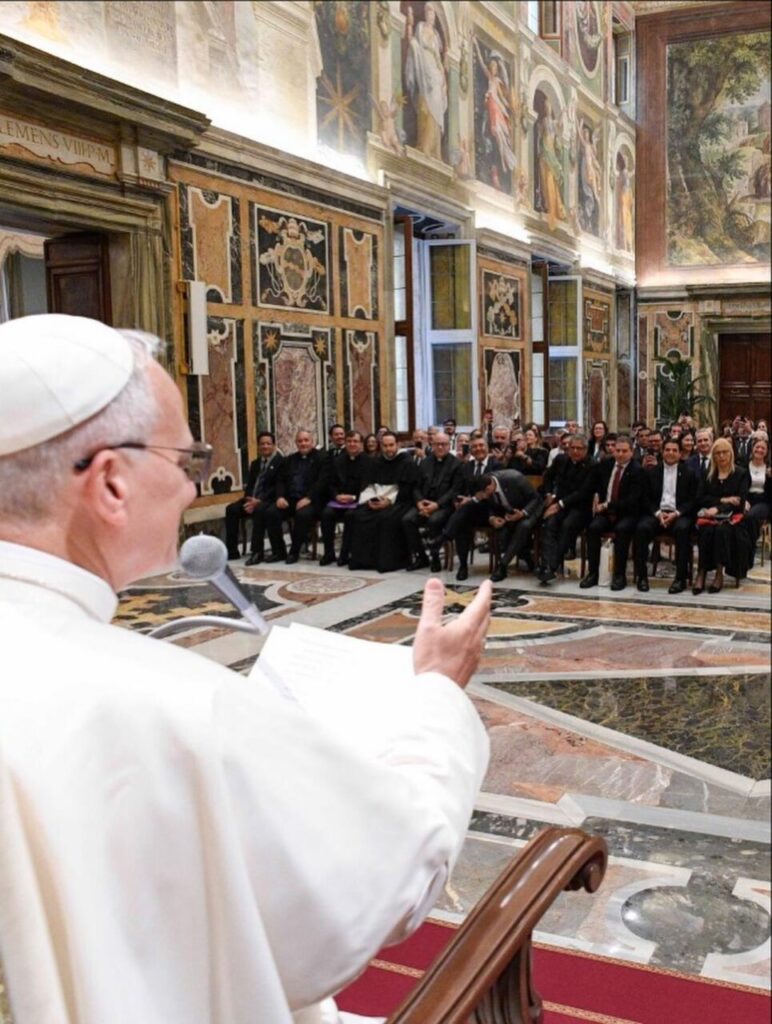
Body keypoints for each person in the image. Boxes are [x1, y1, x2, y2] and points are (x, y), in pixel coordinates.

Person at [0, 314, 493, 1024]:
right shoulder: (173, 704)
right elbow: (383, 878)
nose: (190, 489)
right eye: (187, 464)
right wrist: (438, 695)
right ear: (111, 485)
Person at [430, 437, 503, 581]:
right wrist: (457, 500)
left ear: (487, 448)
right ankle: (463, 565)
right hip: (470, 511)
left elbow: (497, 493)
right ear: (471, 450)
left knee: (464, 511)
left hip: (491, 510)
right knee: (462, 519)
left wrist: (470, 501)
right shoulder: (466, 467)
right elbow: (457, 489)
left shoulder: (497, 465)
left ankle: (443, 538)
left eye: (481, 445)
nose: (478, 449)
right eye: (474, 447)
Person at [632, 437, 698, 594]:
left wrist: (676, 514)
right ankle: (642, 577)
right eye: (667, 450)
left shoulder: (689, 473)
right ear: (662, 452)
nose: (670, 453)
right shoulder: (652, 472)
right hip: (656, 513)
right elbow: (645, 498)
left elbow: (693, 500)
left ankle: (680, 579)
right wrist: (657, 513)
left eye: (674, 450)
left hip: (679, 514)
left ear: (680, 453)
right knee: (641, 528)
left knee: (683, 530)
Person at [580, 435, 645, 591]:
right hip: (605, 512)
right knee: (593, 528)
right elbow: (591, 484)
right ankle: (593, 573)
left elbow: (633, 501)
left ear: (631, 451)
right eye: (617, 450)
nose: (620, 454)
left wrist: (608, 504)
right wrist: (595, 494)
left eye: (624, 451)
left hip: (627, 513)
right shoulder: (605, 465)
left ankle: (619, 575)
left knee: (622, 530)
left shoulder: (637, 470)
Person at [347, 431, 417, 572]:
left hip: (399, 501)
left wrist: (389, 501)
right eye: (385, 446)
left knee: (385, 519)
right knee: (357, 515)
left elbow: (407, 488)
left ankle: (387, 562)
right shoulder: (376, 462)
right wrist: (370, 500)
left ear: (398, 445)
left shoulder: (407, 462)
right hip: (377, 498)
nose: (388, 449)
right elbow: (370, 485)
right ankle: (363, 561)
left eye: (391, 445)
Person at [692, 438, 752, 594]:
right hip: (710, 517)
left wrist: (717, 508)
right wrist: (723, 500)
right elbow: (700, 498)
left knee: (721, 531)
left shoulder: (741, 473)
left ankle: (719, 573)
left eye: (725, 452)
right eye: (718, 453)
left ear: (731, 454)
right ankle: (702, 572)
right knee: (706, 531)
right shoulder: (708, 473)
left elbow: (739, 502)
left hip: (733, 519)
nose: (721, 456)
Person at [537, 435, 593, 584]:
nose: (574, 451)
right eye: (571, 448)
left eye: (578, 448)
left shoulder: (591, 464)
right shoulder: (561, 460)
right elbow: (548, 476)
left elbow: (583, 492)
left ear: (585, 450)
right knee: (550, 523)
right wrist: (549, 494)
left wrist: (559, 504)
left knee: (568, 525)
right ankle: (546, 564)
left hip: (580, 507)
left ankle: (552, 566)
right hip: (560, 503)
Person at [402, 432, 460, 571]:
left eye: (444, 444)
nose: (440, 447)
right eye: (437, 444)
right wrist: (419, 503)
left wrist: (437, 505)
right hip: (424, 503)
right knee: (407, 520)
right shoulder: (425, 462)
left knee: (434, 520)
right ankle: (421, 557)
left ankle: (435, 557)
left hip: (444, 506)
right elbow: (416, 486)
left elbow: (455, 490)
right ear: (431, 445)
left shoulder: (456, 464)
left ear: (448, 445)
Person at [264, 430, 324, 564]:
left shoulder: (322, 458)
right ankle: (279, 551)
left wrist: (308, 498)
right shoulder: (289, 460)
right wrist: (280, 497)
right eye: (300, 441)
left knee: (302, 515)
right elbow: (280, 480)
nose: (303, 443)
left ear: (312, 441)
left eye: (306, 440)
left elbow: (323, 481)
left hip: (312, 500)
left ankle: (294, 552)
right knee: (271, 512)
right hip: (291, 499)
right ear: (296, 443)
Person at [224, 431, 284, 563]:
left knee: (260, 510)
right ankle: (232, 551)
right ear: (258, 446)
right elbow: (251, 485)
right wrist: (249, 500)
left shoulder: (281, 463)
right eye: (262, 444)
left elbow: (279, 486)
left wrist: (259, 501)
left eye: (268, 443)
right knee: (231, 509)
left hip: (269, 500)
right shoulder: (255, 464)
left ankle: (257, 552)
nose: (265, 446)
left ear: (273, 445)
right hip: (252, 499)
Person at [476, 470, 543, 583]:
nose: (484, 497)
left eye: (485, 493)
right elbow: (490, 507)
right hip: (510, 513)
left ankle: (502, 565)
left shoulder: (514, 478)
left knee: (523, 526)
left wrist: (522, 513)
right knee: (504, 531)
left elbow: (535, 498)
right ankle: (526, 556)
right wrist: (492, 518)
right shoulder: (485, 486)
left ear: (490, 485)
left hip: (530, 509)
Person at [318, 430, 367, 567]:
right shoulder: (338, 460)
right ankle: (329, 553)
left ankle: (345, 554)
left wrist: (353, 497)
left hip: (359, 500)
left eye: (355, 441)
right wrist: (336, 496)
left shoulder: (368, 461)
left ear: (361, 444)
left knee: (351, 515)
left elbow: (368, 485)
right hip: (339, 501)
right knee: (326, 513)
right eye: (349, 441)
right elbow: (331, 483)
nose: (352, 444)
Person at [743, 437, 772, 550]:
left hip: (763, 501)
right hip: (747, 499)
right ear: (752, 448)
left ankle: (749, 547)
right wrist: (743, 501)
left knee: (751, 516)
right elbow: (741, 488)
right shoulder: (744, 466)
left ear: (767, 451)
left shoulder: (769, 468)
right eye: (757, 447)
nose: (759, 450)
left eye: (763, 448)